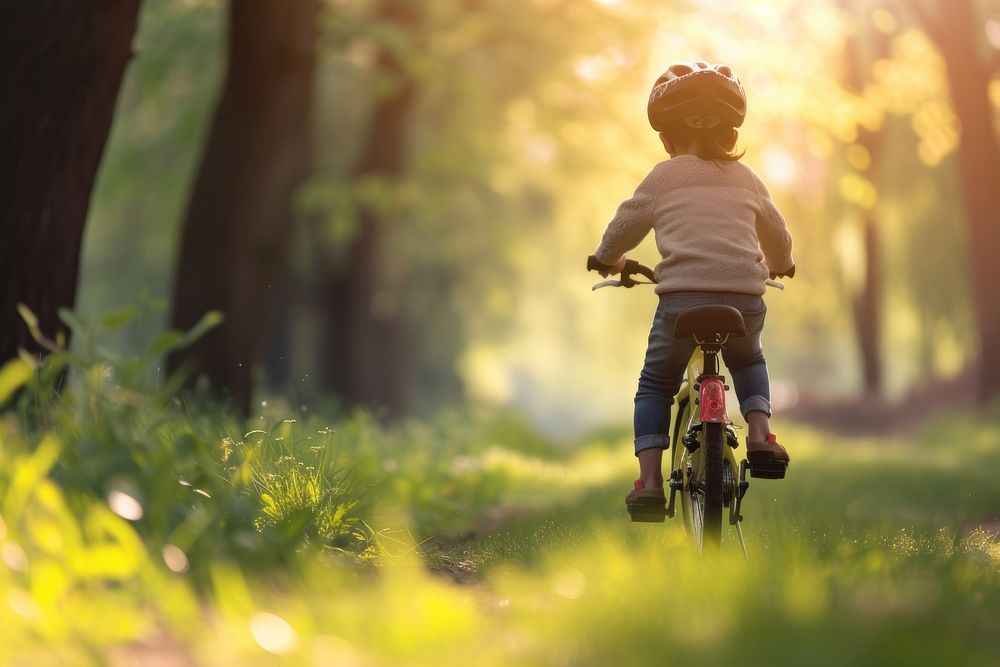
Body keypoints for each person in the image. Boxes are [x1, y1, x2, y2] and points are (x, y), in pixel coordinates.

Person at [588, 61, 795, 520]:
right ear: (730, 134)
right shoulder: (749, 180)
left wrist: (606, 258)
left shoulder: (663, 177)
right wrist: (782, 264)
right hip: (744, 299)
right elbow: (777, 234)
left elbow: (624, 225)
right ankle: (760, 437)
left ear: (666, 137)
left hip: (680, 301)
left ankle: (650, 483)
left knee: (656, 384)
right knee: (748, 358)